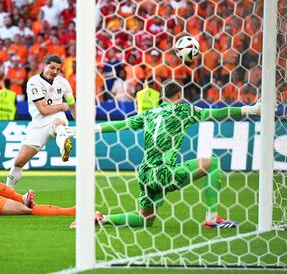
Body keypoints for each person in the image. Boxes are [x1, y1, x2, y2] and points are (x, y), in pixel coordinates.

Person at [71, 80, 264, 229]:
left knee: (145, 219)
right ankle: (212, 220)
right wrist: (251, 109)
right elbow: (218, 112)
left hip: (145, 174)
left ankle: (102, 219)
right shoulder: (183, 110)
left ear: (162, 96)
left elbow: (120, 125)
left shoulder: (150, 114)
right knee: (212, 164)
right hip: (165, 174)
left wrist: (88, 128)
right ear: (179, 94)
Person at [6, 55, 76, 186]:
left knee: (58, 123)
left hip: (57, 117)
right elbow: (43, 110)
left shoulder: (63, 83)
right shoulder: (33, 82)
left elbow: (72, 105)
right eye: (52, 68)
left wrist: (80, 123)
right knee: (18, 163)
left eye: (58, 69)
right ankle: (7, 191)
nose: (55, 72)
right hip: (39, 124)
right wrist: (62, 105)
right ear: (44, 65)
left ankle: (64, 145)